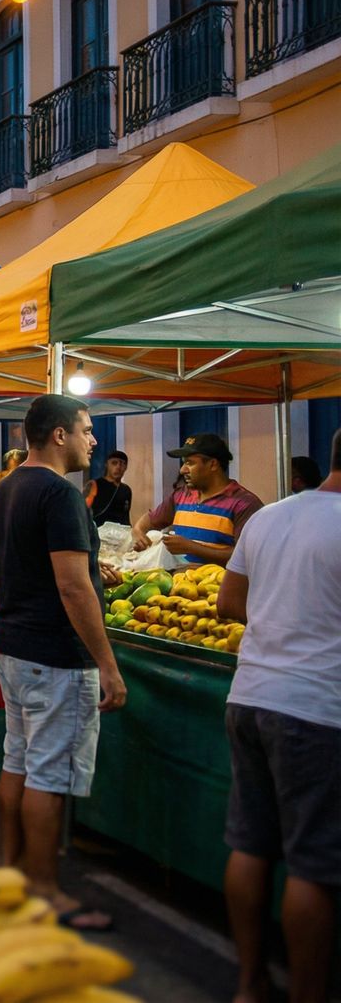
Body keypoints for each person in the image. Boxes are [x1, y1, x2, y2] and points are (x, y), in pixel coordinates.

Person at [0, 394, 128, 930]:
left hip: (15, 646)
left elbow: (31, 568)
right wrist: (107, 665)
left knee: (18, 761)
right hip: (56, 655)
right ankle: (43, 890)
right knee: (47, 772)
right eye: (87, 430)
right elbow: (71, 587)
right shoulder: (60, 495)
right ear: (59, 435)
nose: (94, 440)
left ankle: (13, 872)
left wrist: (92, 573)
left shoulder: (6, 491)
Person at [216, 428, 340, 1003]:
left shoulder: (269, 517)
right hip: (316, 710)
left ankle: (249, 984)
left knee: (251, 844)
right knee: (315, 865)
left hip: (250, 696)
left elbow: (229, 604)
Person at [131, 434, 264, 567]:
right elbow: (148, 521)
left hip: (216, 585)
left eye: (190, 463)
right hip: (180, 583)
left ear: (213, 464)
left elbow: (248, 556)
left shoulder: (244, 504)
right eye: (184, 463)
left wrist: (192, 548)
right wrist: (138, 532)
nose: (182, 470)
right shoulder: (181, 496)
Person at [84, 450, 133, 527]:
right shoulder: (94, 484)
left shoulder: (126, 490)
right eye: (114, 463)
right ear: (107, 464)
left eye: (122, 464)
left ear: (126, 467)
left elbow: (125, 516)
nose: (118, 467)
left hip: (120, 534)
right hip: (98, 532)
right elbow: (83, 511)